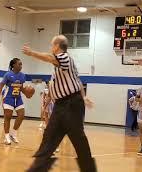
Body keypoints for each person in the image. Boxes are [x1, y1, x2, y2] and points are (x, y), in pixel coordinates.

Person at [23, 35, 97, 172]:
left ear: (57, 46)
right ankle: (36, 169)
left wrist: (32, 53)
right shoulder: (60, 67)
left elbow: (51, 58)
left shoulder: (64, 58)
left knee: (78, 139)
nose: (51, 48)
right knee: (49, 137)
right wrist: (84, 96)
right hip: (61, 106)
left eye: (52, 45)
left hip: (71, 105)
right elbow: (77, 81)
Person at [0, 58, 26, 145]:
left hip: (18, 98)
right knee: (7, 117)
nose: (21, 66)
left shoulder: (23, 76)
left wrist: (27, 93)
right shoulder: (8, 75)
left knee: (21, 115)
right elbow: (0, 86)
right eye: (19, 64)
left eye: (21, 64)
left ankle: (14, 134)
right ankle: (6, 137)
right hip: (8, 98)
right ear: (14, 65)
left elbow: (21, 88)